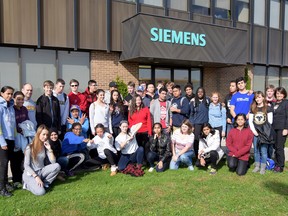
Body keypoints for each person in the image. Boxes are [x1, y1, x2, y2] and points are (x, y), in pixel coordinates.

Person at [22, 125, 61, 196]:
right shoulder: (30, 147)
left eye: (47, 135)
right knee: (41, 192)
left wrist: (49, 149)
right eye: (43, 134)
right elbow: (26, 165)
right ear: (38, 134)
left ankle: (45, 184)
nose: (45, 137)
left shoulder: (45, 145)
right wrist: (36, 177)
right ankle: (27, 185)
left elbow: (53, 162)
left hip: (41, 171)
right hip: (31, 174)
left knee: (57, 166)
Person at [249, 91, 274, 174]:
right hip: (256, 133)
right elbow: (250, 121)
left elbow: (270, 121)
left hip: (264, 133)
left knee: (263, 151)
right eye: (256, 97)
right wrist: (254, 131)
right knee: (256, 150)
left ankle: (263, 167)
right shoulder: (253, 108)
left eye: (259, 97)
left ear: (263, 97)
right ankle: (257, 166)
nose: (258, 99)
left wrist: (263, 131)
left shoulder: (268, 108)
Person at [0, 86, 16, 197]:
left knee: (8, 162)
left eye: (11, 94)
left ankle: (6, 183)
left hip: (11, 139)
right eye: (7, 93)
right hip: (3, 140)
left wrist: (14, 138)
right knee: (3, 164)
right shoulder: (0, 107)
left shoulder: (11, 106)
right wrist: (2, 142)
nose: (10, 96)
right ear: (1, 94)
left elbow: (13, 124)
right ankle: (1, 188)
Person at [13, 91, 29, 186]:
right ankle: (16, 180)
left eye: (22, 99)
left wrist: (26, 130)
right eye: (18, 99)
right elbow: (12, 124)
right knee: (15, 159)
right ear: (14, 99)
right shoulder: (12, 110)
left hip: (24, 136)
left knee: (25, 158)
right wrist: (19, 130)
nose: (20, 101)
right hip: (15, 136)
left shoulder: (24, 109)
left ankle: (24, 178)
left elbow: (27, 121)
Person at [189, 87, 209, 156]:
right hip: (197, 124)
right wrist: (192, 125)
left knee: (205, 140)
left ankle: (205, 155)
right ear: (196, 93)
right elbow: (191, 114)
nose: (200, 93)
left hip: (205, 124)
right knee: (196, 140)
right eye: (198, 92)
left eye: (202, 92)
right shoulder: (193, 102)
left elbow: (215, 101)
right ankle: (197, 155)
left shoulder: (207, 100)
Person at [272, 87, 288, 173]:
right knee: (275, 146)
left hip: (282, 128)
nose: (279, 95)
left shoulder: (286, 103)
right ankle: (276, 163)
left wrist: (286, 128)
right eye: (277, 93)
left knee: (279, 147)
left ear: (284, 94)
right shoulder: (275, 103)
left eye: (281, 93)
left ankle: (280, 166)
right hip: (274, 128)